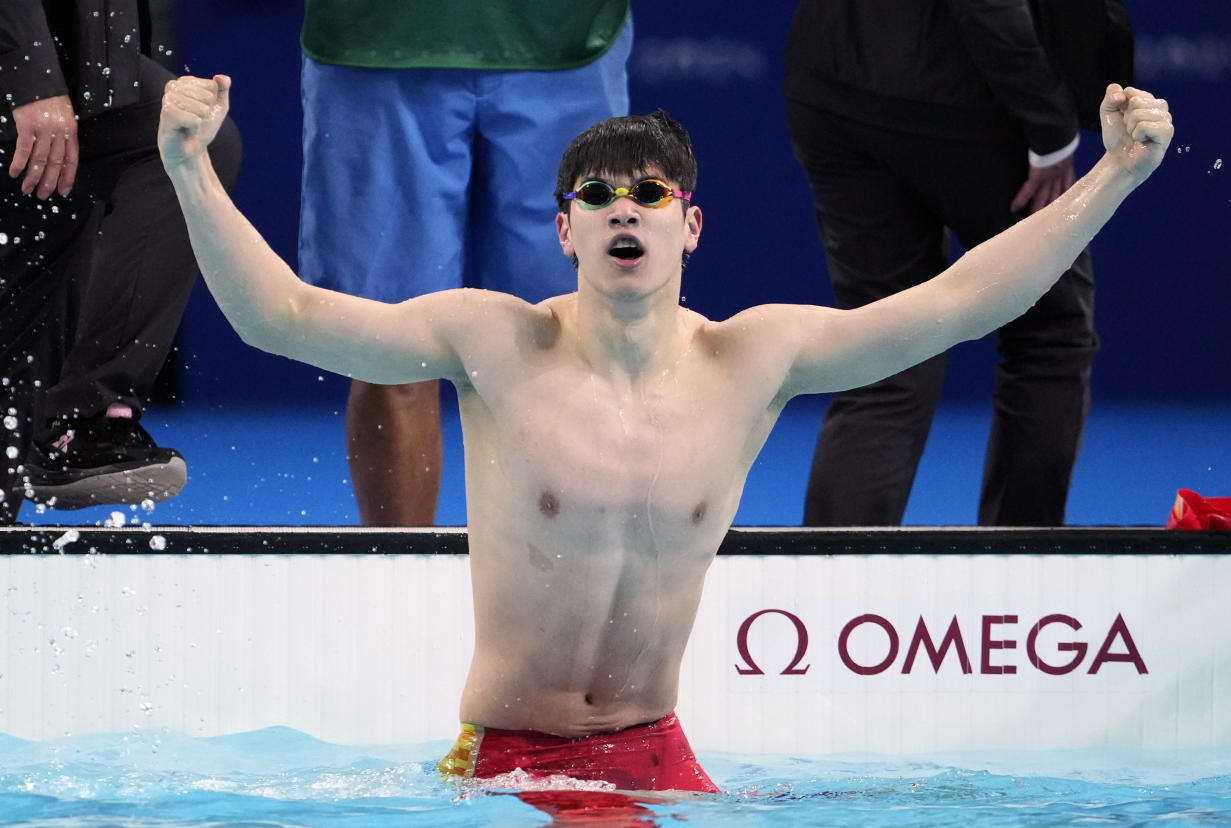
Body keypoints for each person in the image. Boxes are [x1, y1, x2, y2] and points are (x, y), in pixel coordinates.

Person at [157, 73, 1172, 791]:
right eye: (596, 196)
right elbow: (279, 317)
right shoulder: (494, 342)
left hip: (659, 755)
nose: (622, 210)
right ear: (565, 231)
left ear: (690, 224)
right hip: (509, 763)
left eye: (649, 192)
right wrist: (189, 171)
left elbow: (961, 302)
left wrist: (1116, 175)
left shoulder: (752, 360)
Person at [299, 1, 632, 526]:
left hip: (567, 33)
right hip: (379, 34)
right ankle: (400, 588)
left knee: (572, 342)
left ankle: (567, 595)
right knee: (390, 346)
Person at [783, 0, 1112, 527]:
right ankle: (1018, 575)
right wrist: (1050, 123)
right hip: (970, 97)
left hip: (831, 85)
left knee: (883, 352)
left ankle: (835, 585)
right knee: (1049, 331)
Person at [0, 0, 242, 523]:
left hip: (84, 65)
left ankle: (81, 426)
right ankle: (81, 424)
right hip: (33, 72)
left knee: (189, 141)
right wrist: (27, 72)